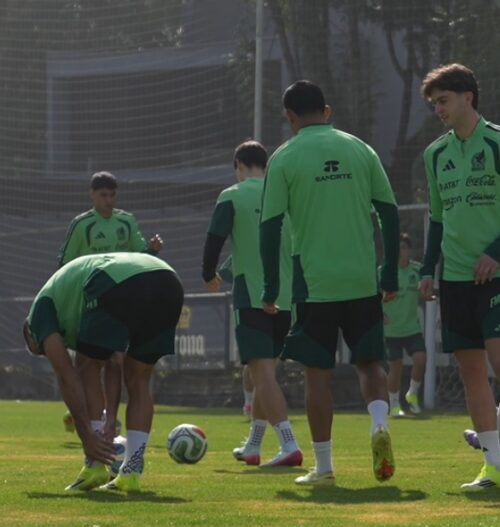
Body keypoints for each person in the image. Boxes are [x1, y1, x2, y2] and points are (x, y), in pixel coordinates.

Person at [260, 80, 400, 487]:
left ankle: (323, 467)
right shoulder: (361, 149)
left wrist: (271, 288)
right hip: (360, 277)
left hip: (314, 283)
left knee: (316, 374)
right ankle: (378, 423)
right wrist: (388, 273)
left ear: (289, 118)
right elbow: (389, 213)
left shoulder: (284, 158)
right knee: (370, 362)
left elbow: (269, 228)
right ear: (328, 110)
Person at [419, 63, 500, 490]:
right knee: (471, 370)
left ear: (467, 97)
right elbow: (436, 219)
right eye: (434, 103)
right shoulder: (435, 154)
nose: (438, 109)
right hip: (454, 279)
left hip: (497, 275)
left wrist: (496, 252)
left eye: (443, 101)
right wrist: (426, 270)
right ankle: (492, 465)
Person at [24, 252, 183, 493]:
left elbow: (67, 376)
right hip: (168, 281)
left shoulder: (39, 315)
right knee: (139, 378)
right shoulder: (74, 311)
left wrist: (86, 434)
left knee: (86, 365)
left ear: (31, 336)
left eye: (41, 351)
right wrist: (111, 419)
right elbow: (114, 360)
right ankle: (131, 472)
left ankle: (95, 465)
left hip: (117, 280)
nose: (46, 352)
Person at [203, 140, 303, 467]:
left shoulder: (232, 195)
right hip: (287, 298)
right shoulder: (284, 196)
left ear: (238, 165)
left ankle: (289, 444)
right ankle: (254, 445)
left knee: (261, 374)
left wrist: (208, 273)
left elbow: (215, 238)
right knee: (265, 372)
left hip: (253, 296)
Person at [57, 171, 164, 435]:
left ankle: (108, 422)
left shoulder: (126, 221)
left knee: (117, 360)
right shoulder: (82, 225)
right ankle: (91, 415)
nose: (108, 200)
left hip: (122, 300)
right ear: (92, 195)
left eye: (112, 195)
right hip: (91, 302)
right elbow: (65, 263)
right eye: (103, 195)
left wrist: (152, 249)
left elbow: (139, 253)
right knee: (87, 362)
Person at [381, 233, 427, 416]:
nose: (401, 251)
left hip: (411, 328)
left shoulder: (417, 271)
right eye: (398, 247)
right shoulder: (384, 271)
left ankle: (412, 394)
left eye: (404, 247)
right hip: (391, 329)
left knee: (421, 359)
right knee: (396, 366)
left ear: (410, 250)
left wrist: (427, 295)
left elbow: (425, 293)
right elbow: (373, 295)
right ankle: (393, 405)